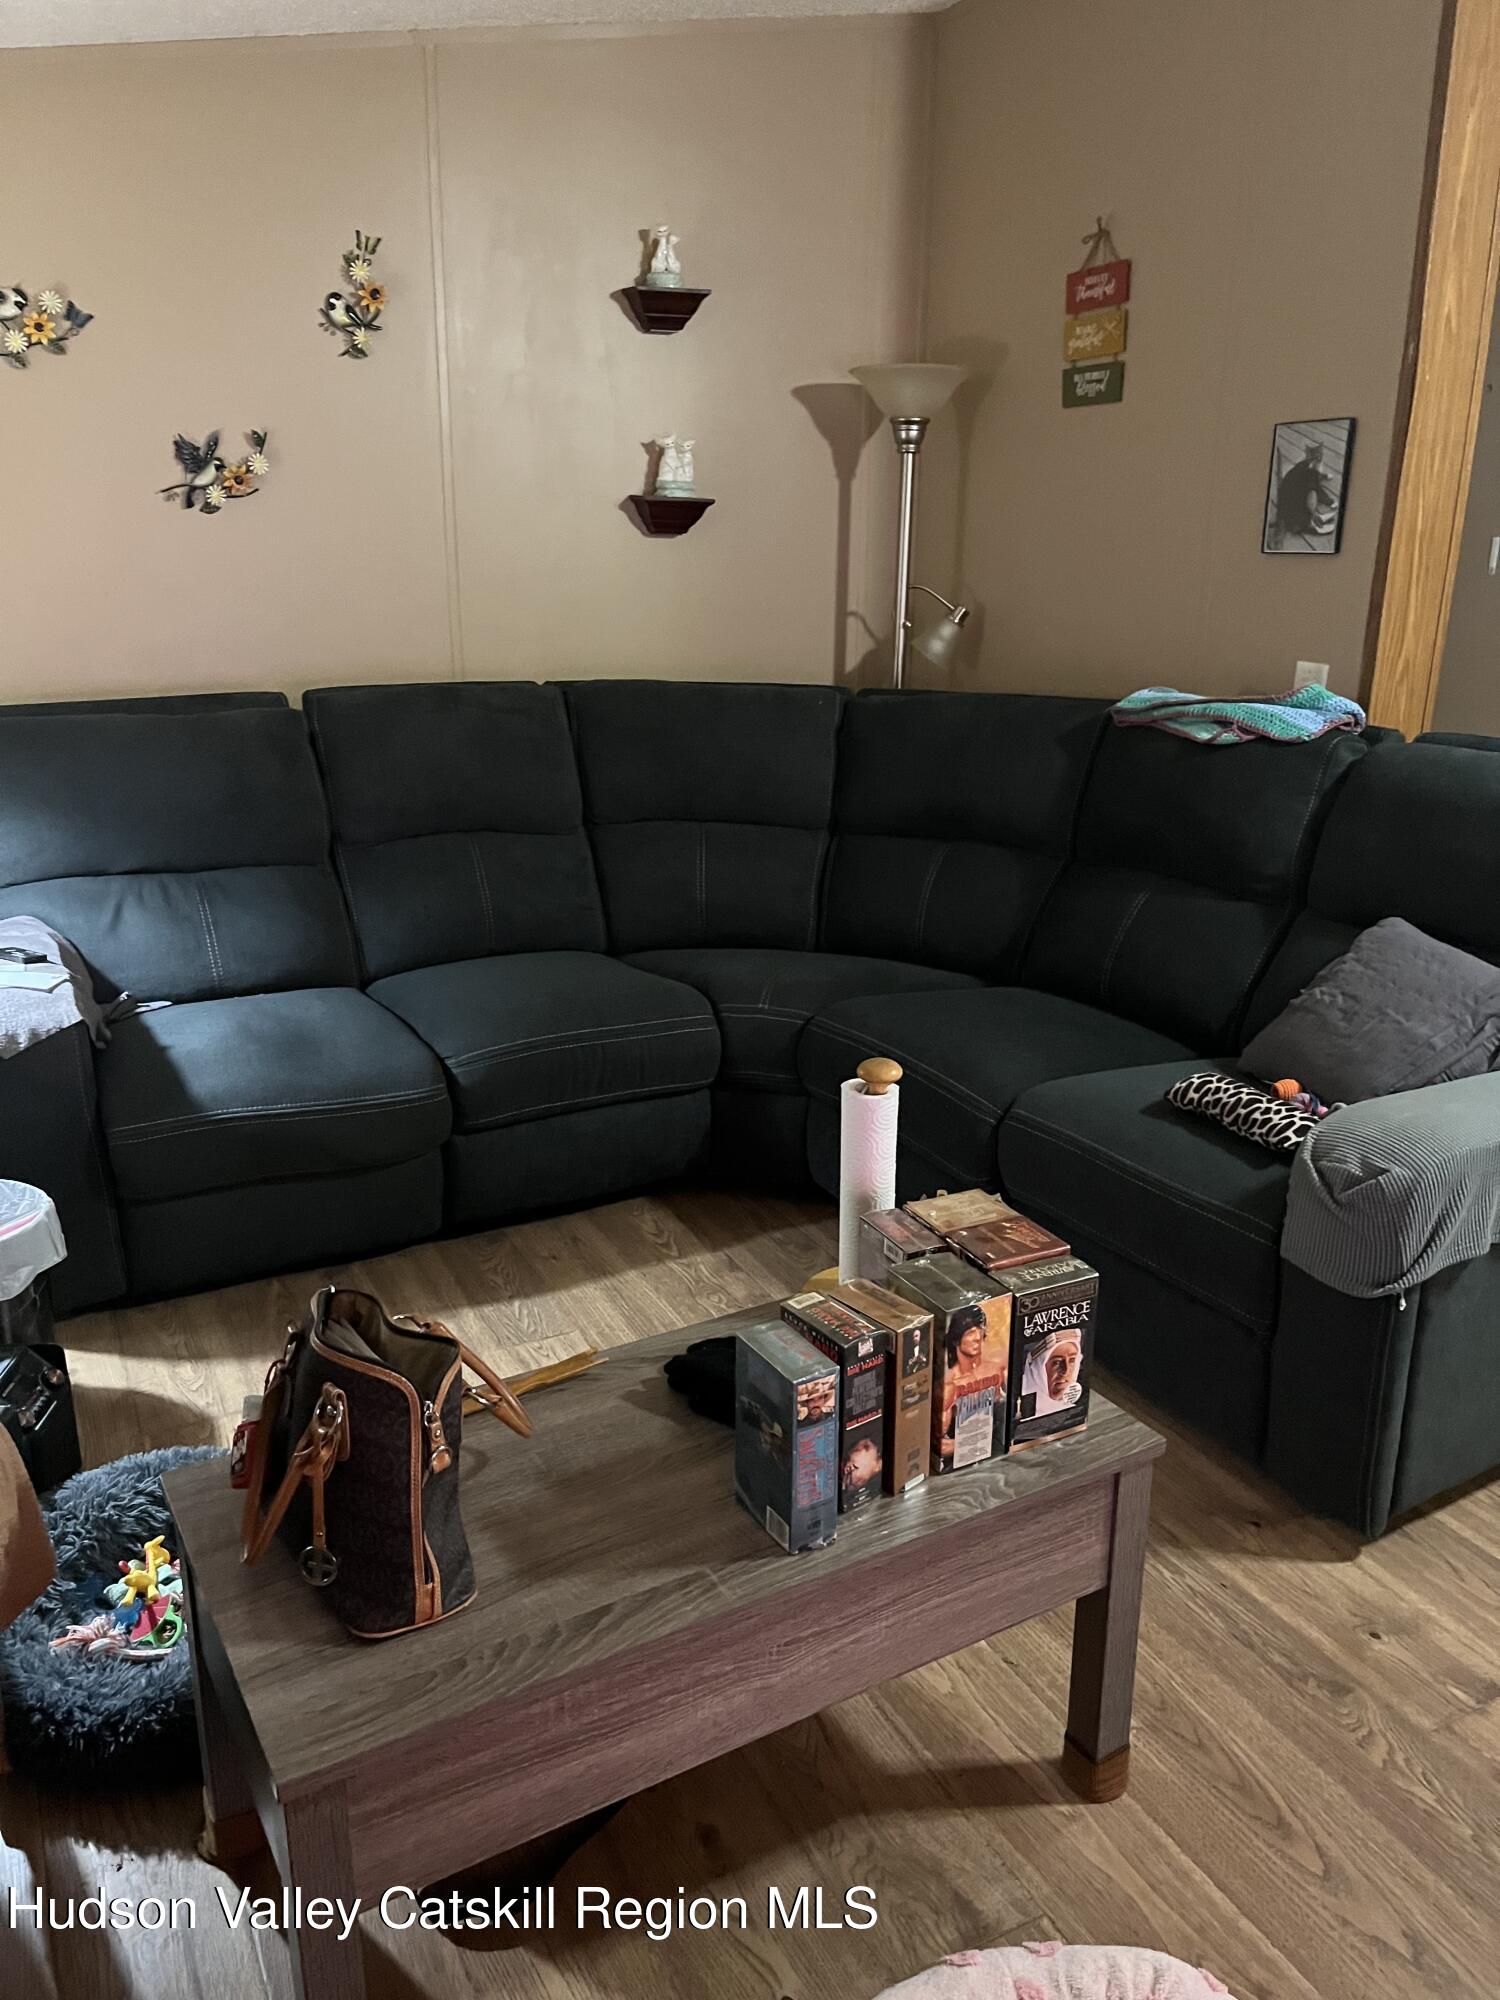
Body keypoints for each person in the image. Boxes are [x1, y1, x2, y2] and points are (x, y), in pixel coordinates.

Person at [1273, 441, 1334, 547]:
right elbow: (1313, 493)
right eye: (1317, 457)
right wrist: (1326, 502)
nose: (1319, 458)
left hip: (1286, 501)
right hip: (1295, 518)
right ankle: (1309, 524)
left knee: (1307, 483)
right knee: (1311, 488)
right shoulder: (1311, 469)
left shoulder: (1304, 465)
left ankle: (1314, 518)